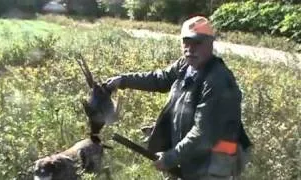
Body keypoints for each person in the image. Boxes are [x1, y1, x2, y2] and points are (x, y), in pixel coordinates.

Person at [105, 16, 252, 180]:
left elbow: (203, 133)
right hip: (191, 156)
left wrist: (170, 158)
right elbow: (160, 79)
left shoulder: (218, 81)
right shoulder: (186, 65)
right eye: (186, 42)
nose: (190, 48)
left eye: (197, 43)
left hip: (213, 164)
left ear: (210, 43)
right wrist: (123, 80)